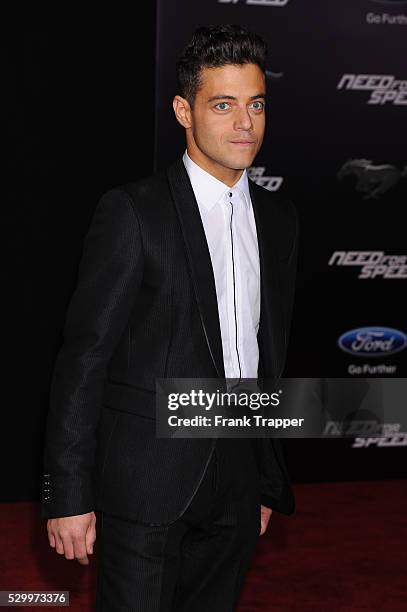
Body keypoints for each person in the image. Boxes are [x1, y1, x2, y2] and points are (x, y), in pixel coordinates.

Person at [42, 24, 299, 611]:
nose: (244, 124)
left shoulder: (280, 219)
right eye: (224, 105)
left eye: (256, 105)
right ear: (184, 110)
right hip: (145, 481)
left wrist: (263, 472)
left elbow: (264, 355)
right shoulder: (134, 212)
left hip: (238, 477)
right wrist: (68, 493)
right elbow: (84, 359)